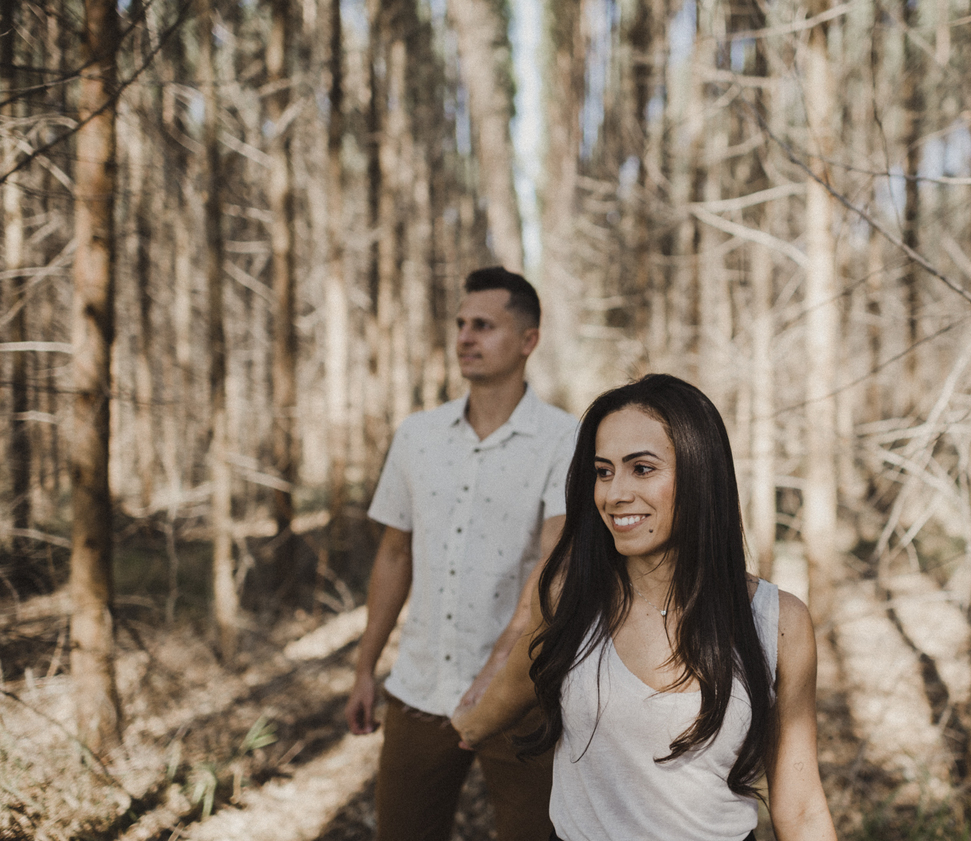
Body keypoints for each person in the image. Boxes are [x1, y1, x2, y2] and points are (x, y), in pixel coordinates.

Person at [452, 374, 838, 841]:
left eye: (643, 468)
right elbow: (519, 679)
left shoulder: (779, 623)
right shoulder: (566, 594)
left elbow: (799, 807)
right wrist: (467, 727)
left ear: (699, 474)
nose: (614, 494)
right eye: (603, 471)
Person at [346, 267, 577, 841]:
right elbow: (395, 554)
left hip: (521, 692)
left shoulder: (565, 438)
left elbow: (557, 567)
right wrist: (364, 666)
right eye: (460, 324)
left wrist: (497, 674)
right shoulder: (417, 436)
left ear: (528, 340)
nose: (465, 338)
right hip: (419, 688)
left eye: (484, 325)